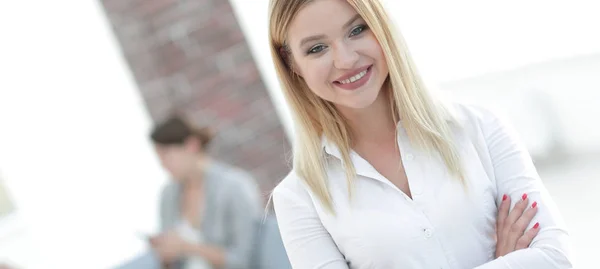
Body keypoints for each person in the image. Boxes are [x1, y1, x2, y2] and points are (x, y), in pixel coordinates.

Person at [268, 0, 573, 268]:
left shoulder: (480, 127)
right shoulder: (298, 199)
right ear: (292, 63)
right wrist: (503, 261)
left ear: (382, 27)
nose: (345, 60)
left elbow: (555, 258)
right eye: (317, 48)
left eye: (357, 30)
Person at [149, 115, 262, 269]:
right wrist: (164, 252)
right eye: (159, 158)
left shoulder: (235, 186)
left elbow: (244, 259)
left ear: (191, 145)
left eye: (166, 154)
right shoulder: (168, 195)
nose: (162, 164)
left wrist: (186, 247)